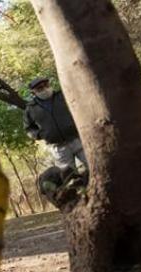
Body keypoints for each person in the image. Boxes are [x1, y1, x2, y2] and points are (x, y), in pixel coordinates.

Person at [23, 76, 89, 209]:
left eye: (46, 85)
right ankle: (79, 203)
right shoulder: (30, 109)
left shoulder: (63, 95)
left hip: (77, 139)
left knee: (92, 166)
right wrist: (40, 135)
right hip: (58, 148)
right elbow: (29, 129)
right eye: (40, 88)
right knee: (69, 177)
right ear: (33, 92)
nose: (44, 89)